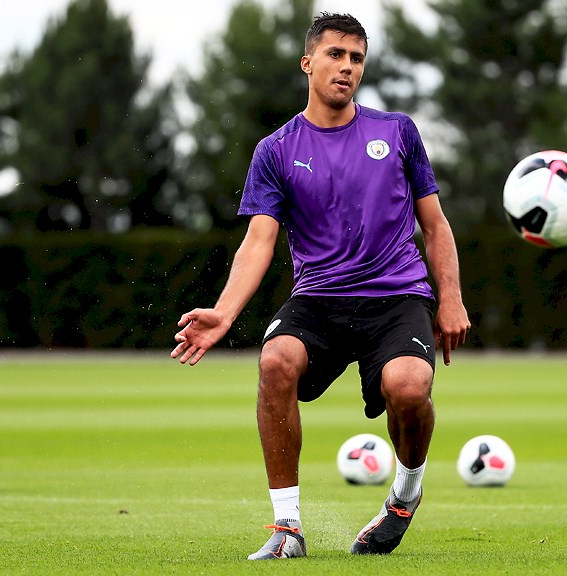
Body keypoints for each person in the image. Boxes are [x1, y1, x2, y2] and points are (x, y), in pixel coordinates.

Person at [171, 12, 470, 560]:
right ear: (308, 61)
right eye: (336, 55)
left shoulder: (397, 131)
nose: (347, 67)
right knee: (274, 362)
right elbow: (259, 241)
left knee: (408, 388)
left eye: (357, 58)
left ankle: (404, 497)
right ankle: (287, 528)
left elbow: (435, 224)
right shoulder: (276, 150)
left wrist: (449, 298)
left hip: (397, 295)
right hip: (320, 299)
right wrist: (224, 312)